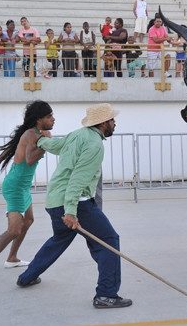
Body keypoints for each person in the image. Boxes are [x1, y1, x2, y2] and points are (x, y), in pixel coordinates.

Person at [17, 103, 133, 310]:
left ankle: (27, 277)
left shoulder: (78, 134)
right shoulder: (95, 145)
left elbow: (57, 146)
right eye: (112, 120)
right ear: (103, 123)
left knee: (59, 239)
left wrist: (42, 140)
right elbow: (77, 181)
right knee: (108, 240)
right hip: (74, 203)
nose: (115, 123)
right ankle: (106, 295)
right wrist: (70, 211)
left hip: (54, 201)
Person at [0, 100, 54, 286]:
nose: (53, 119)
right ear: (39, 119)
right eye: (49, 116)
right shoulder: (32, 134)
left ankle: (12, 258)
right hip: (15, 186)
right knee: (13, 230)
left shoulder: (34, 133)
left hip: (22, 186)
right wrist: (46, 143)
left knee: (29, 220)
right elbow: (30, 159)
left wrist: (0, 158)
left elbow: (14, 145)